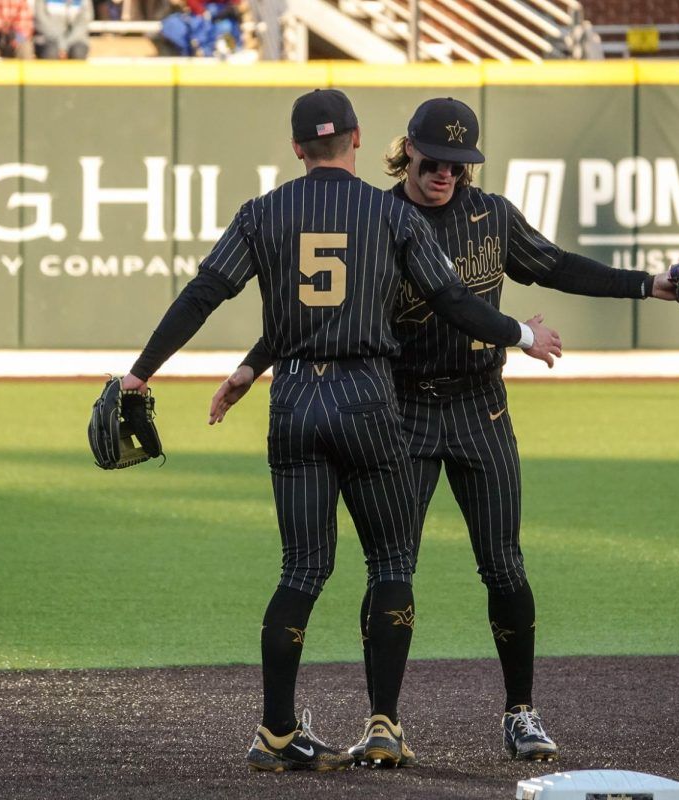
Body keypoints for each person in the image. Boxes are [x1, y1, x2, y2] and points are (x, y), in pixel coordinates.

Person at [211, 96, 679, 764]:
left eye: (458, 165)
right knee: (393, 565)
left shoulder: (491, 216)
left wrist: (651, 285)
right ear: (407, 150)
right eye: (434, 160)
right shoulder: (376, 215)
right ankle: (383, 722)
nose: (445, 174)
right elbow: (317, 312)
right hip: (400, 410)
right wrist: (253, 365)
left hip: (480, 409)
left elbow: (556, 265)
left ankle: (520, 712)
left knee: (504, 564)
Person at [123, 89, 562, 772]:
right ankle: (384, 725)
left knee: (301, 568)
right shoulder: (390, 214)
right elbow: (450, 299)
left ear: (297, 147)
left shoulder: (262, 213)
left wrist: (140, 374)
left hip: (296, 397)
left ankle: (276, 733)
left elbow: (204, 293)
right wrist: (521, 334)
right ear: (357, 139)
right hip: (367, 400)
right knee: (390, 564)